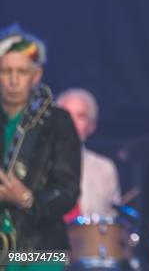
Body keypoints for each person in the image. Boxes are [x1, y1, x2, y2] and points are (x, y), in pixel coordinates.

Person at [0, 24, 81, 254]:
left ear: (36, 75)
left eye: (22, 72)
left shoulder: (57, 122)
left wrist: (25, 198)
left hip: (40, 247)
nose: (13, 80)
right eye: (6, 71)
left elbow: (68, 190)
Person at [57, 88, 121, 220]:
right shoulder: (35, 161)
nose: (72, 122)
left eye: (80, 116)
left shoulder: (105, 168)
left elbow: (112, 223)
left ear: (91, 126)